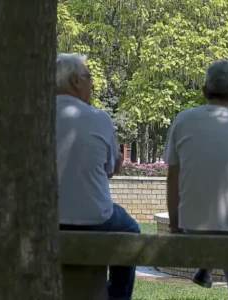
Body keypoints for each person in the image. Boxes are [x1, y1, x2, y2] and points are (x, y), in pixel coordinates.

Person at [164, 60, 228, 300]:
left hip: (193, 224)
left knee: (217, 224)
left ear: (204, 91)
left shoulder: (183, 121)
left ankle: (206, 268)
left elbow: (172, 178)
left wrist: (175, 225)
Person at [56, 53, 140, 300]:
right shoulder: (98, 118)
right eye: (89, 77)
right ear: (75, 81)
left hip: (43, 218)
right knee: (131, 230)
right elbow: (110, 169)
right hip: (93, 218)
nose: (93, 84)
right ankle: (118, 296)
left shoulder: (29, 118)